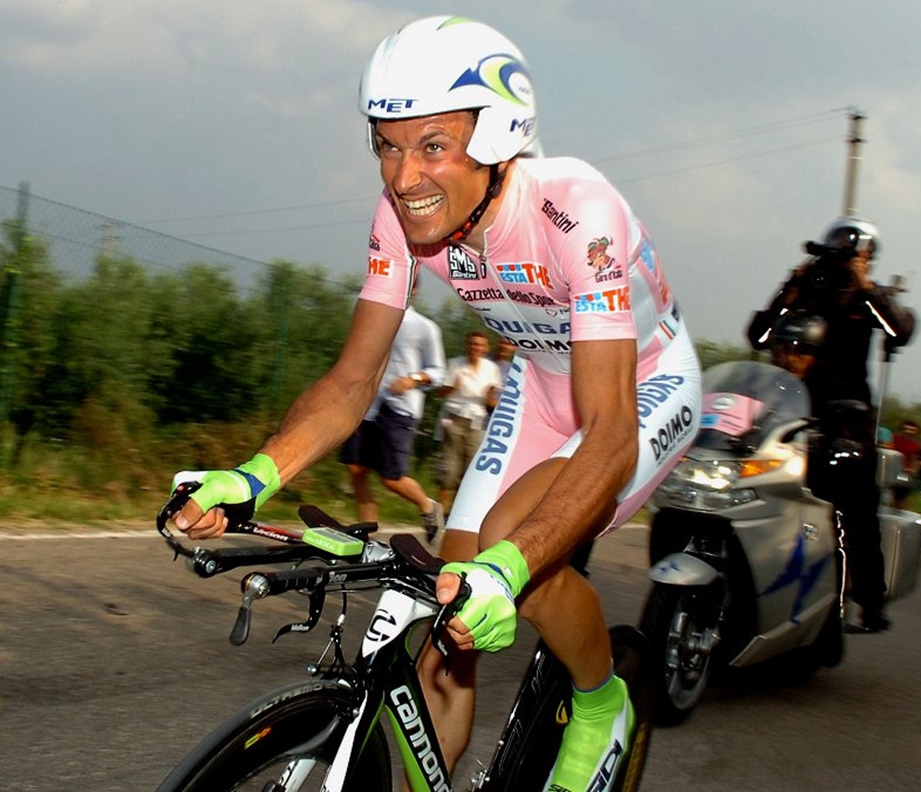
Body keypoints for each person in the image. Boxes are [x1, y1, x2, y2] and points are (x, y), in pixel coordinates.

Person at [166, 16, 700, 792]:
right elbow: (353, 383)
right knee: (450, 604)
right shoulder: (404, 217)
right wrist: (249, 477)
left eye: (432, 146)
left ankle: (600, 703)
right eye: (386, 144)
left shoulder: (577, 211)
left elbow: (611, 433)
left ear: (497, 135)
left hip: (641, 386)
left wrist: (512, 564)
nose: (402, 176)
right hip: (543, 382)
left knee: (516, 551)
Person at [747, 216, 916, 633]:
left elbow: (900, 330)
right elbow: (759, 338)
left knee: (855, 513)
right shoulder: (808, 289)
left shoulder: (870, 298)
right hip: (791, 409)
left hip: (848, 420)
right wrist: (788, 289)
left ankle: (869, 601)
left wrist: (866, 286)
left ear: (868, 257)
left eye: (853, 252)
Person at [339, 286, 446, 540]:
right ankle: (366, 534)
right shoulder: (370, 317)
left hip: (399, 408)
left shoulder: (424, 327)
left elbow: (439, 371)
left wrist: (413, 379)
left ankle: (428, 506)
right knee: (356, 468)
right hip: (366, 403)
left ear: (415, 288)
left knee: (391, 478)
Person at [436, 330, 502, 513]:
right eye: (472, 344)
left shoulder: (492, 369)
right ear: (467, 346)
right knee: (449, 468)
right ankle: (438, 512)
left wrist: (491, 398)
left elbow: (491, 401)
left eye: (479, 345)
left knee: (470, 469)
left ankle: (457, 514)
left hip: (477, 421)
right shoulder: (455, 364)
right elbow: (439, 393)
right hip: (454, 418)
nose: (475, 348)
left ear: (485, 348)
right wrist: (452, 387)